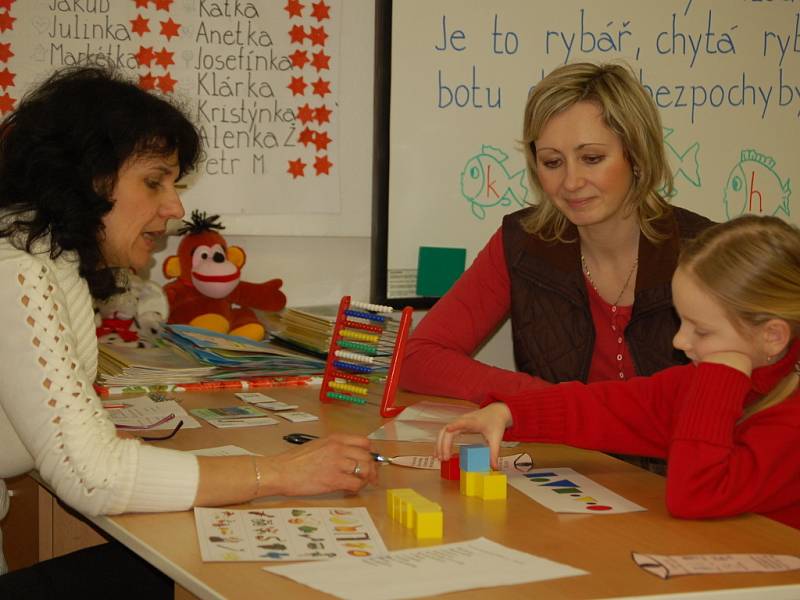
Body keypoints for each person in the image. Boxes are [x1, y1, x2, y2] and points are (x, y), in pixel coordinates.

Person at [0, 66, 377, 595]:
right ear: (86, 180)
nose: (174, 207)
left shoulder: (45, 257)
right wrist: (282, 472)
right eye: (154, 181)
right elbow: (94, 477)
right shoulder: (21, 269)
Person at [435, 215, 800, 530]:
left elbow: (694, 496)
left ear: (772, 335)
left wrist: (720, 380)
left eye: (700, 331)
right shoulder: (702, 381)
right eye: (681, 321)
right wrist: (512, 412)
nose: (679, 340)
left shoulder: (784, 419)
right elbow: (610, 407)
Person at [399, 62, 714, 405]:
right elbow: (418, 359)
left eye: (592, 158)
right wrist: (557, 405)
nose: (571, 182)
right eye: (552, 162)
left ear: (636, 156)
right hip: (567, 458)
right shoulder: (521, 243)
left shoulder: (712, 251)